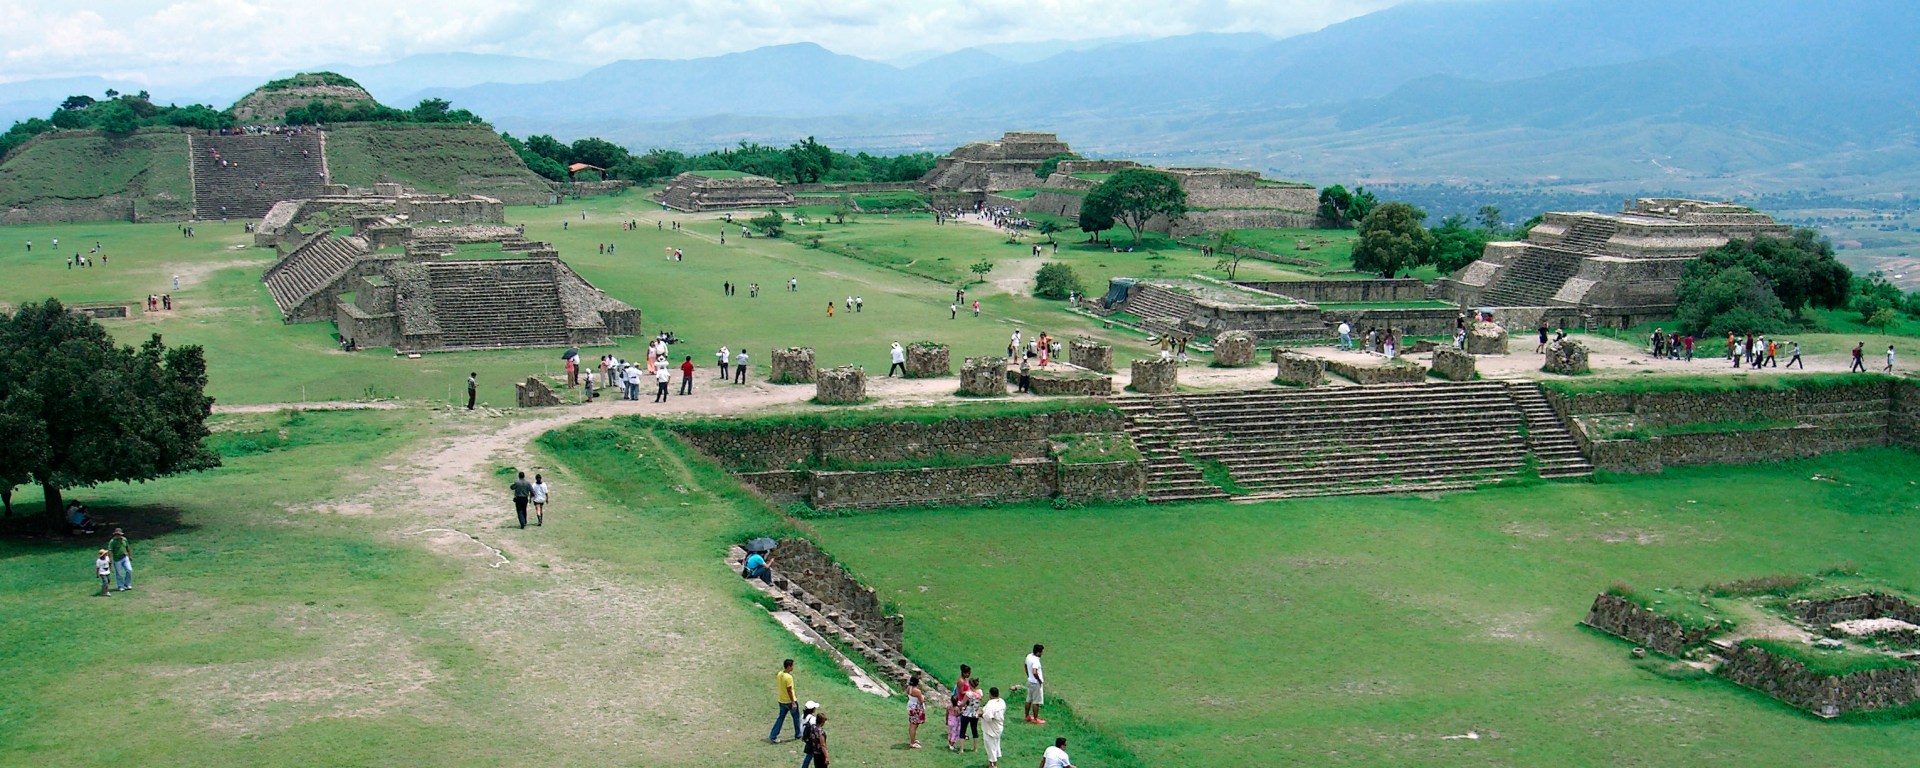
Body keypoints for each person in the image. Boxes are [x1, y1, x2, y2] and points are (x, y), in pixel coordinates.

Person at [770, 659, 800, 743]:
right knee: (796, 718)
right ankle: (798, 734)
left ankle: (773, 735)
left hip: (781, 700)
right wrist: (793, 702)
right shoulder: (789, 677)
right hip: (789, 701)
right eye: (792, 666)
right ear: (789, 666)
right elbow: (789, 690)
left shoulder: (780, 674)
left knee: (780, 718)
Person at [981, 686, 1006, 767]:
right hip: (999, 727)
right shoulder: (1002, 702)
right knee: (995, 744)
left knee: (990, 746)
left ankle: (993, 764)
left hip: (991, 729)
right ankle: (991, 763)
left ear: (990, 694)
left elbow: (988, 717)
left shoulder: (991, 704)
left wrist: (980, 715)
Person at [1024, 644, 1046, 724]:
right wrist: (1039, 680)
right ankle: (1036, 719)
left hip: (1030, 681)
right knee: (1036, 701)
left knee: (1028, 700)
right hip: (1036, 683)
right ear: (1038, 652)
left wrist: (1028, 675)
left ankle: (1027, 716)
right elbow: (1035, 672)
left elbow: (1025, 666)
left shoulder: (1029, 656)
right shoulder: (1036, 660)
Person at [960, 675, 983, 753]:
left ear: (970, 684)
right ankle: (975, 748)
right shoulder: (980, 692)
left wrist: (959, 704)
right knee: (974, 730)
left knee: (963, 730)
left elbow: (963, 703)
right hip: (975, 714)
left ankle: (962, 749)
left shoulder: (968, 693)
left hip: (967, 713)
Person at [906, 673, 926, 749]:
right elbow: (921, 701)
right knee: (914, 725)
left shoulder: (908, 688)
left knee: (913, 724)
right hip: (916, 708)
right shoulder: (917, 691)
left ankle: (913, 739)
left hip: (910, 706)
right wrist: (923, 697)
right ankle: (912, 742)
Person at [798, 702, 821, 768]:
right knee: (813, 755)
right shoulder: (812, 719)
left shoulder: (803, 716)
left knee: (810, 754)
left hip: (806, 737)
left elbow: (801, 726)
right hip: (812, 739)